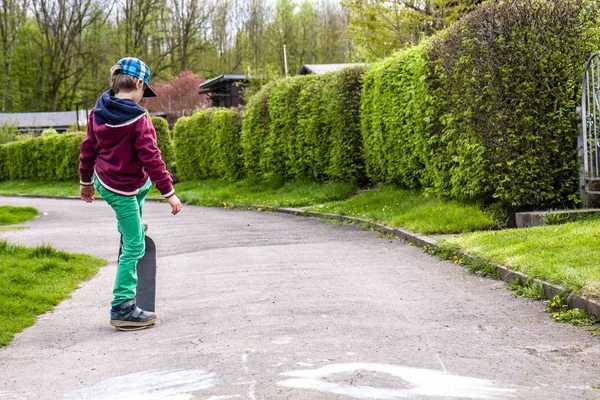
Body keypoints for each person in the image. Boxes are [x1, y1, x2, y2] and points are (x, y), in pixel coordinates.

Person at [79, 57, 182, 330]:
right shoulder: (139, 119)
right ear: (138, 83)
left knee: (142, 187)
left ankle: (129, 226)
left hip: (107, 181)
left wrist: (85, 181)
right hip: (122, 189)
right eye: (143, 93)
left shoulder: (97, 111)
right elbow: (153, 158)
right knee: (135, 245)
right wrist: (169, 192)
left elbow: (88, 148)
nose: (142, 99)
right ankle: (122, 307)